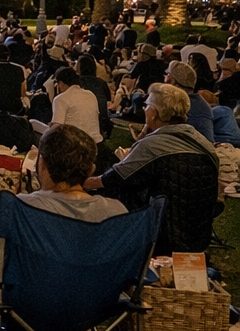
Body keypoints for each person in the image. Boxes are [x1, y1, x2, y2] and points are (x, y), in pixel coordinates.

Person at [0, 125, 125, 279]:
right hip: (88, 312)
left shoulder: (16, 209)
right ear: (91, 170)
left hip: (15, 310)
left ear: (41, 163)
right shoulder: (116, 213)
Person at [86, 83, 219, 255]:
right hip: (198, 237)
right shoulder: (203, 143)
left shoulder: (153, 145)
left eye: (147, 105)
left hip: (163, 237)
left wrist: (80, 183)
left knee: (121, 190)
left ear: (154, 113)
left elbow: (114, 178)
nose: (144, 109)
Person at [48, 66, 104, 143]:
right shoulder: (91, 95)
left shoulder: (61, 99)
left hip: (75, 145)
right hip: (96, 142)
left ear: (60, 83)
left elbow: (56, 128)